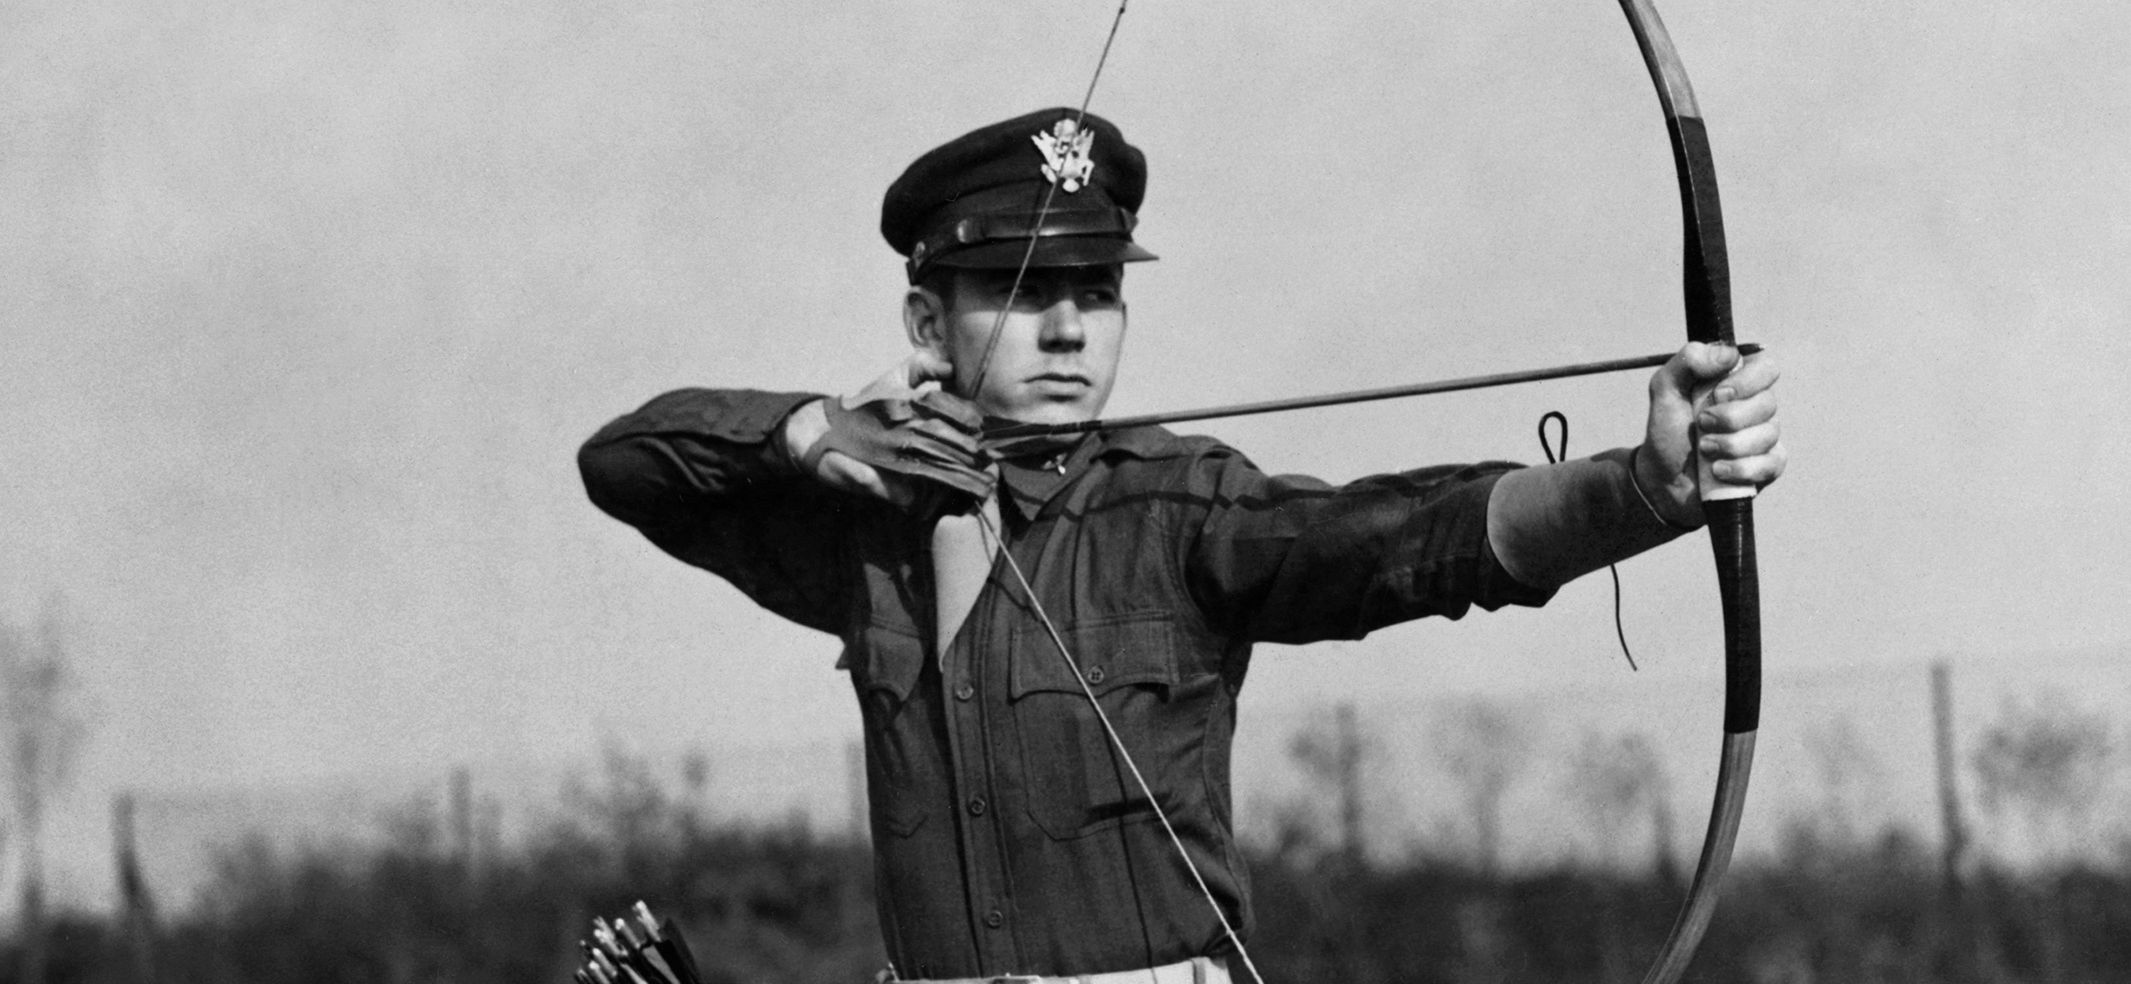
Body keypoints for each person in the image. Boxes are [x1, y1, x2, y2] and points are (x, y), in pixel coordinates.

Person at [576, 107, 1785, 984]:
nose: (1065, 330)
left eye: (1096, 290)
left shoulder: (1182, 506)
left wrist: (1642, 488)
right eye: (1018, 287)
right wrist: (810, 433)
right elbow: (626, 462)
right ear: (925, 323)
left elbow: (1404, 543)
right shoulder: (867, 532)